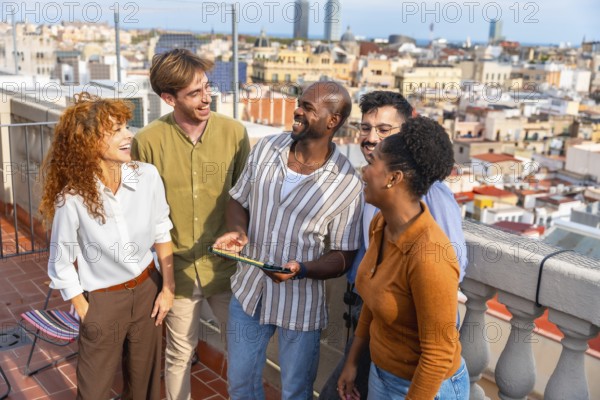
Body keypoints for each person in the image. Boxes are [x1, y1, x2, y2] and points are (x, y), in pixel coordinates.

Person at [213, 81, 364, 400]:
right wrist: (239, 232)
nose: (297, 109)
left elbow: (343, 256)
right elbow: (238, 200)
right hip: (249, 290)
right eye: (300, 102)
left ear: (332, 121)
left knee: (295, 392)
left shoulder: (348, 183)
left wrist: (302, 269)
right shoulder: (267, 148)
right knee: (239, 384)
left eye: (308, 107)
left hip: (301, 304)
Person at [319, 90, 468, 399]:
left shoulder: (430, 254)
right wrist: (352, 362)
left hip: (424, 386)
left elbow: (437, 355)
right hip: (383, 372)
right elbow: (374, 299)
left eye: (374, 165)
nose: (364, 168)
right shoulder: (382, 224)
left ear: (393, 178)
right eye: (367, 128)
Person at [131, 48, 251, 400]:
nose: (206, 98)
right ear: (168, 98)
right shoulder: (147, 142)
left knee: (243, 354)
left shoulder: (235, 133)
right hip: (178, 271)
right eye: (194, 93)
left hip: (229, 270)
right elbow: (143, 211)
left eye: (207, 87)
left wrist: (240, 233)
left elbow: (244, 197)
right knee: (178, 355)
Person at [40, 93, 174, 399]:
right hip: (102, 301)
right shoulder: (71, 198)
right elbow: (61, 262)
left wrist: (168, 288)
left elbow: (161, 233)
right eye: (115, 130)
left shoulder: (148, 177)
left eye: (126, 126)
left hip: (147, 292)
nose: (128, 135)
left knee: (145, 386)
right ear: (88, 142)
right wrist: (85, 309)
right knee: (94, 390)